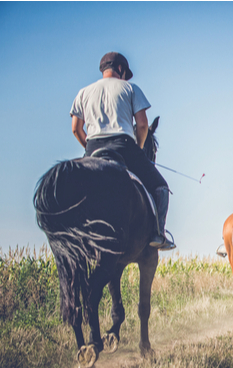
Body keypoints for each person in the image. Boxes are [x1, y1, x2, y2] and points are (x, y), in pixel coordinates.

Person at [70, 52, 175, 250]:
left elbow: (76, 128)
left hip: (93, 147)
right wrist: (139, 148)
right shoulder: (131, 88)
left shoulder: (83, 92)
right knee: (161, 186)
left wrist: (90, 149)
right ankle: (158, 234)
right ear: (120, 69)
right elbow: (143, 125)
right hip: (124, 146)